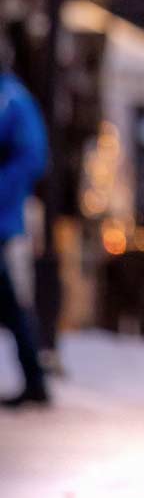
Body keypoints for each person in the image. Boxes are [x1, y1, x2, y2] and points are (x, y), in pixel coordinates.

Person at [0, 46, 48, 409]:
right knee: (13, 305)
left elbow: (33, 156)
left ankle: (35, 379)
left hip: (4, 220)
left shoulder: (11, 98)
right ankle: (35, 379)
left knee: (15, 305)